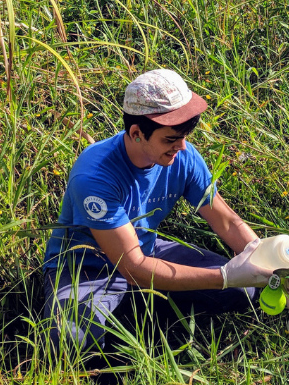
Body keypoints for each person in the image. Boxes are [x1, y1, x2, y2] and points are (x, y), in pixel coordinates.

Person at [42, 69, 275, 358]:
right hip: (87, 268)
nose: (182, 146)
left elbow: (226, 222)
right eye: (170, 139)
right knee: (70, 339)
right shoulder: (94, 176)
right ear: (137, 133)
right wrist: (225, 275)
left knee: (246, 293)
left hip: (147, 251)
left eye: (185, 136)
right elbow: (134, 267)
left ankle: (141, 307)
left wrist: (273, 265)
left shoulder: (182, 154)